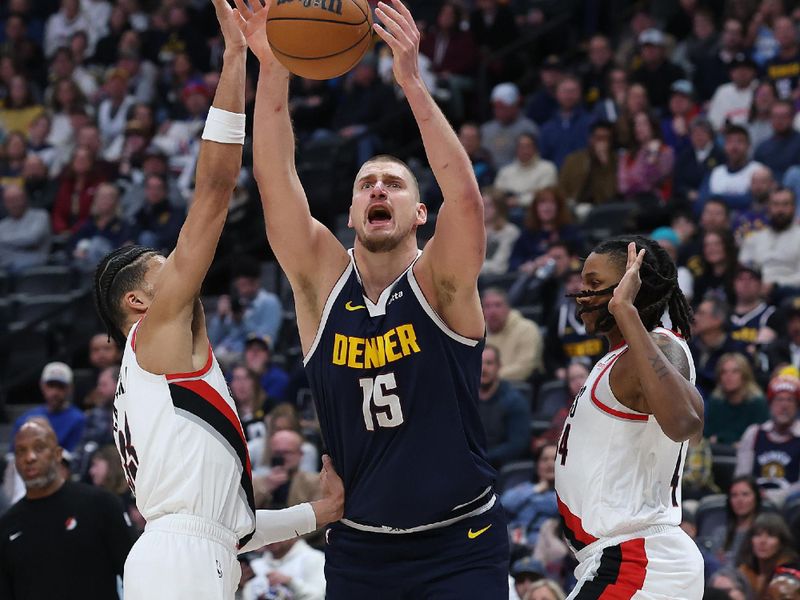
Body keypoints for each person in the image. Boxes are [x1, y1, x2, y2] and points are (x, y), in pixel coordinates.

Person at [240, 0, 509, 596]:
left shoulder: (440, 282)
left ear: (419, 212)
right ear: (353, 211)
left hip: (460, 543)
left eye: (394, 183)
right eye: (367, 184)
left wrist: (412, 83)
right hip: (362, 546)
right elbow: (274, 177)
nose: (378, 188)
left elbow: (466, 202)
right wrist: (274, 63)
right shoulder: (320, 285)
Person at [90, 2, 344, 598]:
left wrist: (321, 512)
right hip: (181, 563)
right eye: (164, 268)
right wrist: (234, 60)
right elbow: (212, 190)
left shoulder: (154, 383)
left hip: (186, 556)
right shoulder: (155, 335)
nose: (180, 269)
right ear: (137, 300)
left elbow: (231, 528)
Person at [556, 235, 704, 598]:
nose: (582, 293)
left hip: (636, 559)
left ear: (631, 287)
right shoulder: (619, 358)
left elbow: (685, 423)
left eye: (594, 283)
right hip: (622, 559)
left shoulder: (662, 346)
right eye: (582, 282)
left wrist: (624, 310)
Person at [0, 418, 136, 599]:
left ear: (57, 454)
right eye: (21, 451)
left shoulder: (101, 504)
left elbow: (134, 574)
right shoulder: (7, 525)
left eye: (39, 448)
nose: (29, 457)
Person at [735, 374, 800, 506]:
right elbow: (741, 477)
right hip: (754, 504)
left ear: (797, 406)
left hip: (790, 506)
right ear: (770, 404)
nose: (784, 406)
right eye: (779, 400)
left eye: (790, 400)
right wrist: (754, 496)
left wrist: (773, 497)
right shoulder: (754, 433)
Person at [10, 362, 86, 453]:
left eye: (60, 387)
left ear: (70, 388)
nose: (55, 392)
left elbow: (74, 457)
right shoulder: (24, 420)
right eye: (51, 385)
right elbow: (13, 454)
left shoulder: (79, 420)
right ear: (42, 386)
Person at [477, 345, 532, 468]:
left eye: (489, 363)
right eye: (479, 362)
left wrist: (482, 458)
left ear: (499, 366)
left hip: (501, 469)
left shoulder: (514, 400)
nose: (483, 368)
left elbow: (518, 445)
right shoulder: (464, 399)